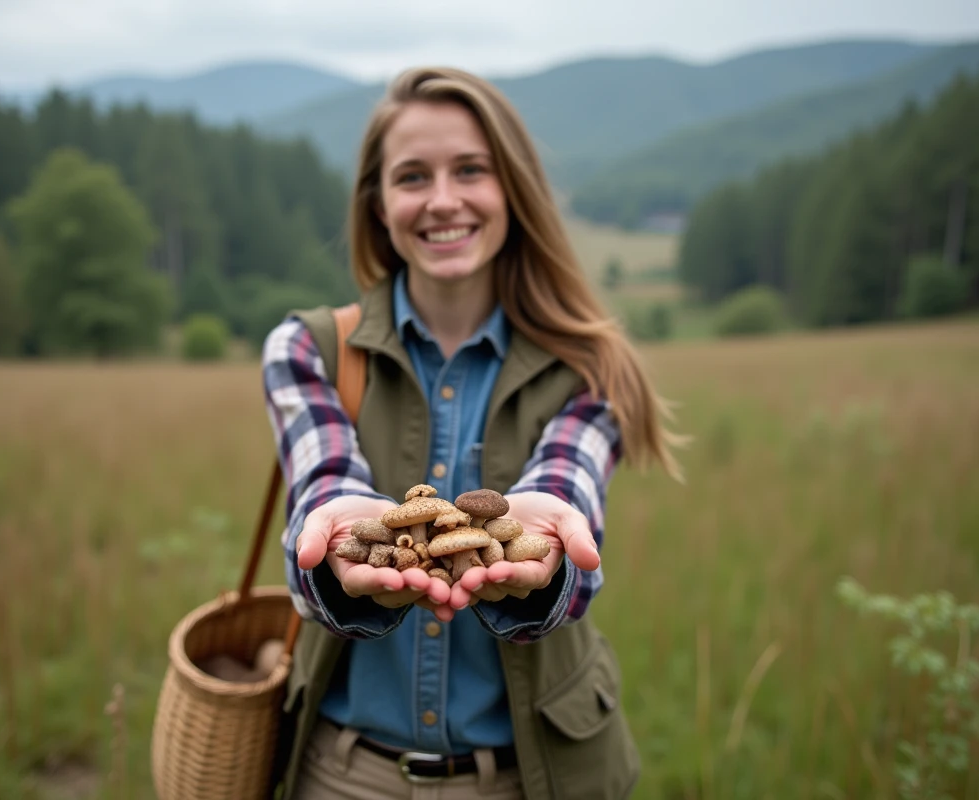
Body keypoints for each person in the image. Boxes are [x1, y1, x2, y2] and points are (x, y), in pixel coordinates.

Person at [262, 65, 683, 800]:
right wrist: (334, 547)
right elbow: (323, 488)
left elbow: (563, 496)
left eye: (470, 171)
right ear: (379, 203)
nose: (444, 200)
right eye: (413, 177)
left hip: (536, 779)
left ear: (512, 188)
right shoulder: (305, 351)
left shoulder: (593, 368)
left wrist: (545, 552)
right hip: (342, 776)